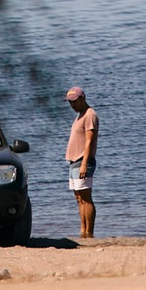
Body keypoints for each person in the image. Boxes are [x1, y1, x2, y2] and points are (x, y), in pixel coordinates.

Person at [64, 86, 99, 238]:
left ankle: (89, 232)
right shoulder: (80, 115)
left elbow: (89, 141)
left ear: (82, 98)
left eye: (74, 102)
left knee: (86, 198)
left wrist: (85, 163)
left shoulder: (90, 115)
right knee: (79, 199)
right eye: (70, 103)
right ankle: (83, 231)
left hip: (82, 160)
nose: (72, 105)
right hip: (74, 161)